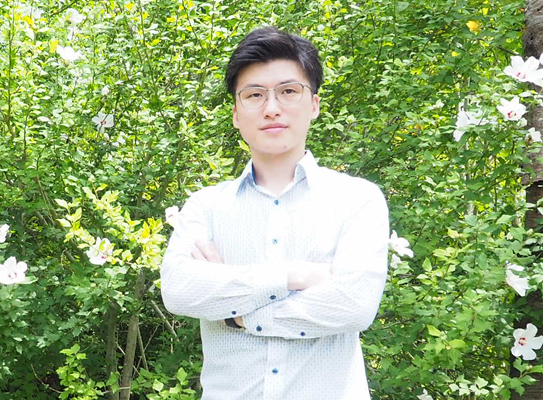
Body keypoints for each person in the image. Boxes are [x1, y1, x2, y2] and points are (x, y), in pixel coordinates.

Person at [160, 26, 389, 400]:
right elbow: (179, 291)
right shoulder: (206, 206)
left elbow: (353, 306)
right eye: (254, 95)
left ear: (314, 104)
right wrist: (293, 275)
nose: (271, 108)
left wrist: (236, 314)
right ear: (236, 114)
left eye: (288, 91)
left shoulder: (357, 200)